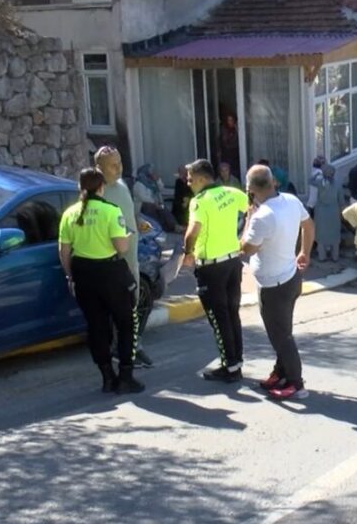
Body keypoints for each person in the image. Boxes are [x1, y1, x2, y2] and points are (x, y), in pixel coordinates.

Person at [57, 169, 145, 394]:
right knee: (126, 323)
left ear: (80, 188)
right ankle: (126, 375)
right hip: (110, 272)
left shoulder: (69, 214)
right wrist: (130, 234)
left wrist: (70, 276)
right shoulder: (110, 211)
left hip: (83, 273)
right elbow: (121, 248)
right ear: (101, 188)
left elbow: (64, 251)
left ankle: (107, 376)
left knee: (96, 327)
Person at [241, 164, 315, 400]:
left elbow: (246, 249)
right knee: (284, 331)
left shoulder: (261, 216)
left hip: (273, 287)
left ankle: (296, 383)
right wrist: (305, 251)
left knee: (280, 336)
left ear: (250, 188)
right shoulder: (291, 201)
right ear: (273, 182)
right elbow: (308, 224)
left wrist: (248, 217)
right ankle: (281, 372)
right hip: (290, 278)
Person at [182, 159, 249, 383]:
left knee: (218, 318)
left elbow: (192, 232)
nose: (188, 182)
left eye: (190, 178)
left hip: (211, 267)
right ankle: (236, 362)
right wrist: (244, 235)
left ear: (202, 178)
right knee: (231, 314)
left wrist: (187, 251)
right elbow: (253, 208)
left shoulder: (199, 201)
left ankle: (229, 367)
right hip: (232, 262)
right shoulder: (232, 192)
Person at [93, 146, 153, 368]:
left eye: (120, 163)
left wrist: (137, 222)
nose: (119, 169)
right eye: (113, 165)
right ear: (99, 168)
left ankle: (133, 347)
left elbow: (126, 213)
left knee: (133, 304)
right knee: (119, 309)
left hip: (131, 257)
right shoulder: (96, 192)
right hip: (113, 262)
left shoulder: (121, 185)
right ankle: (124, 352)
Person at [133, 164, 179, 233]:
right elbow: (143, 197)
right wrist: (155, 203)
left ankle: (175, 226)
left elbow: (161, 188)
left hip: (155, 205)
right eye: (150, 172)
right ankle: (161, 228)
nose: (151, 174)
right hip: (143, 208)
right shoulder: (138, 184)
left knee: (163, 208)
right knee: (151, 206)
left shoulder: (151, 183)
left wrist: (158, 180)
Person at [313, 164, 346, 261]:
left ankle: (322, 257)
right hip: (333, 212)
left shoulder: (319, 181)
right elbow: (341, 201)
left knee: (321, 235)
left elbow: (309, 180)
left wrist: (316, 174)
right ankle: (335, 257)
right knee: (334, 235)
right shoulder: (338, 183)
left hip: (321, 213)